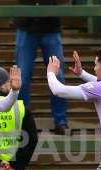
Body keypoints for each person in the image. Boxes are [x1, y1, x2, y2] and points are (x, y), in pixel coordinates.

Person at [14, 0, 70, 135]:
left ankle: (60, 121)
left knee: (58, 76)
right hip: (27, 25)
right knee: (23, 77)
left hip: (50, 26)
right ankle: (23, 120)